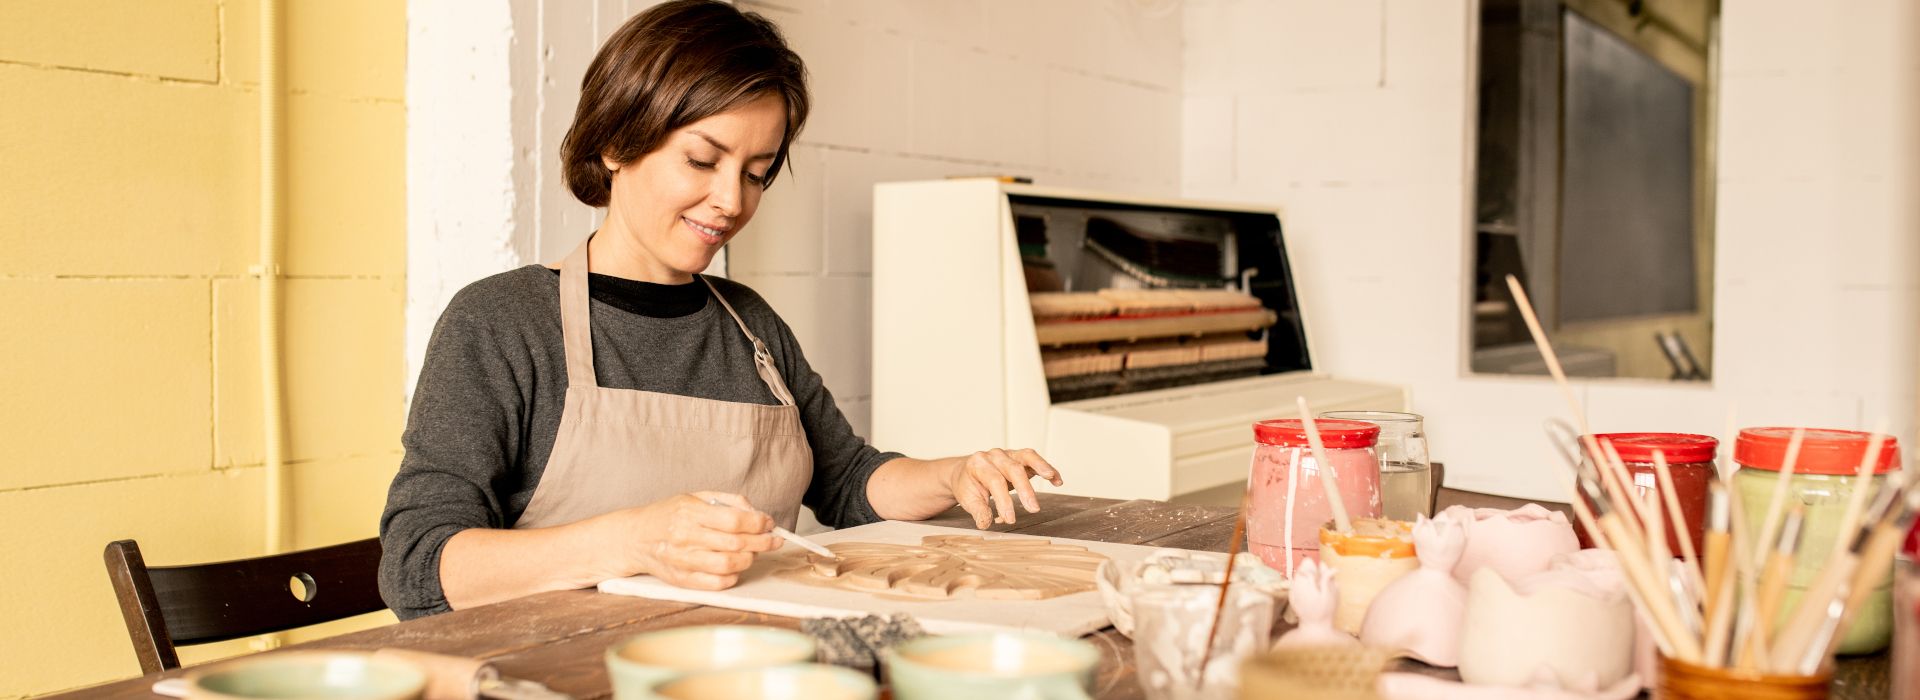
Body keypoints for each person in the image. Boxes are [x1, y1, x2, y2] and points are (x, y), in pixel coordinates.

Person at [378, 0, 1063, 620]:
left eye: (756, 172)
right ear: (617, 142)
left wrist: (951, 475)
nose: (732, 201)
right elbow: (417, 566)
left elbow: (849, 481)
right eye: (703, 160)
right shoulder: (501, 323)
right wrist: (634, 540)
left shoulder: (749, 324)